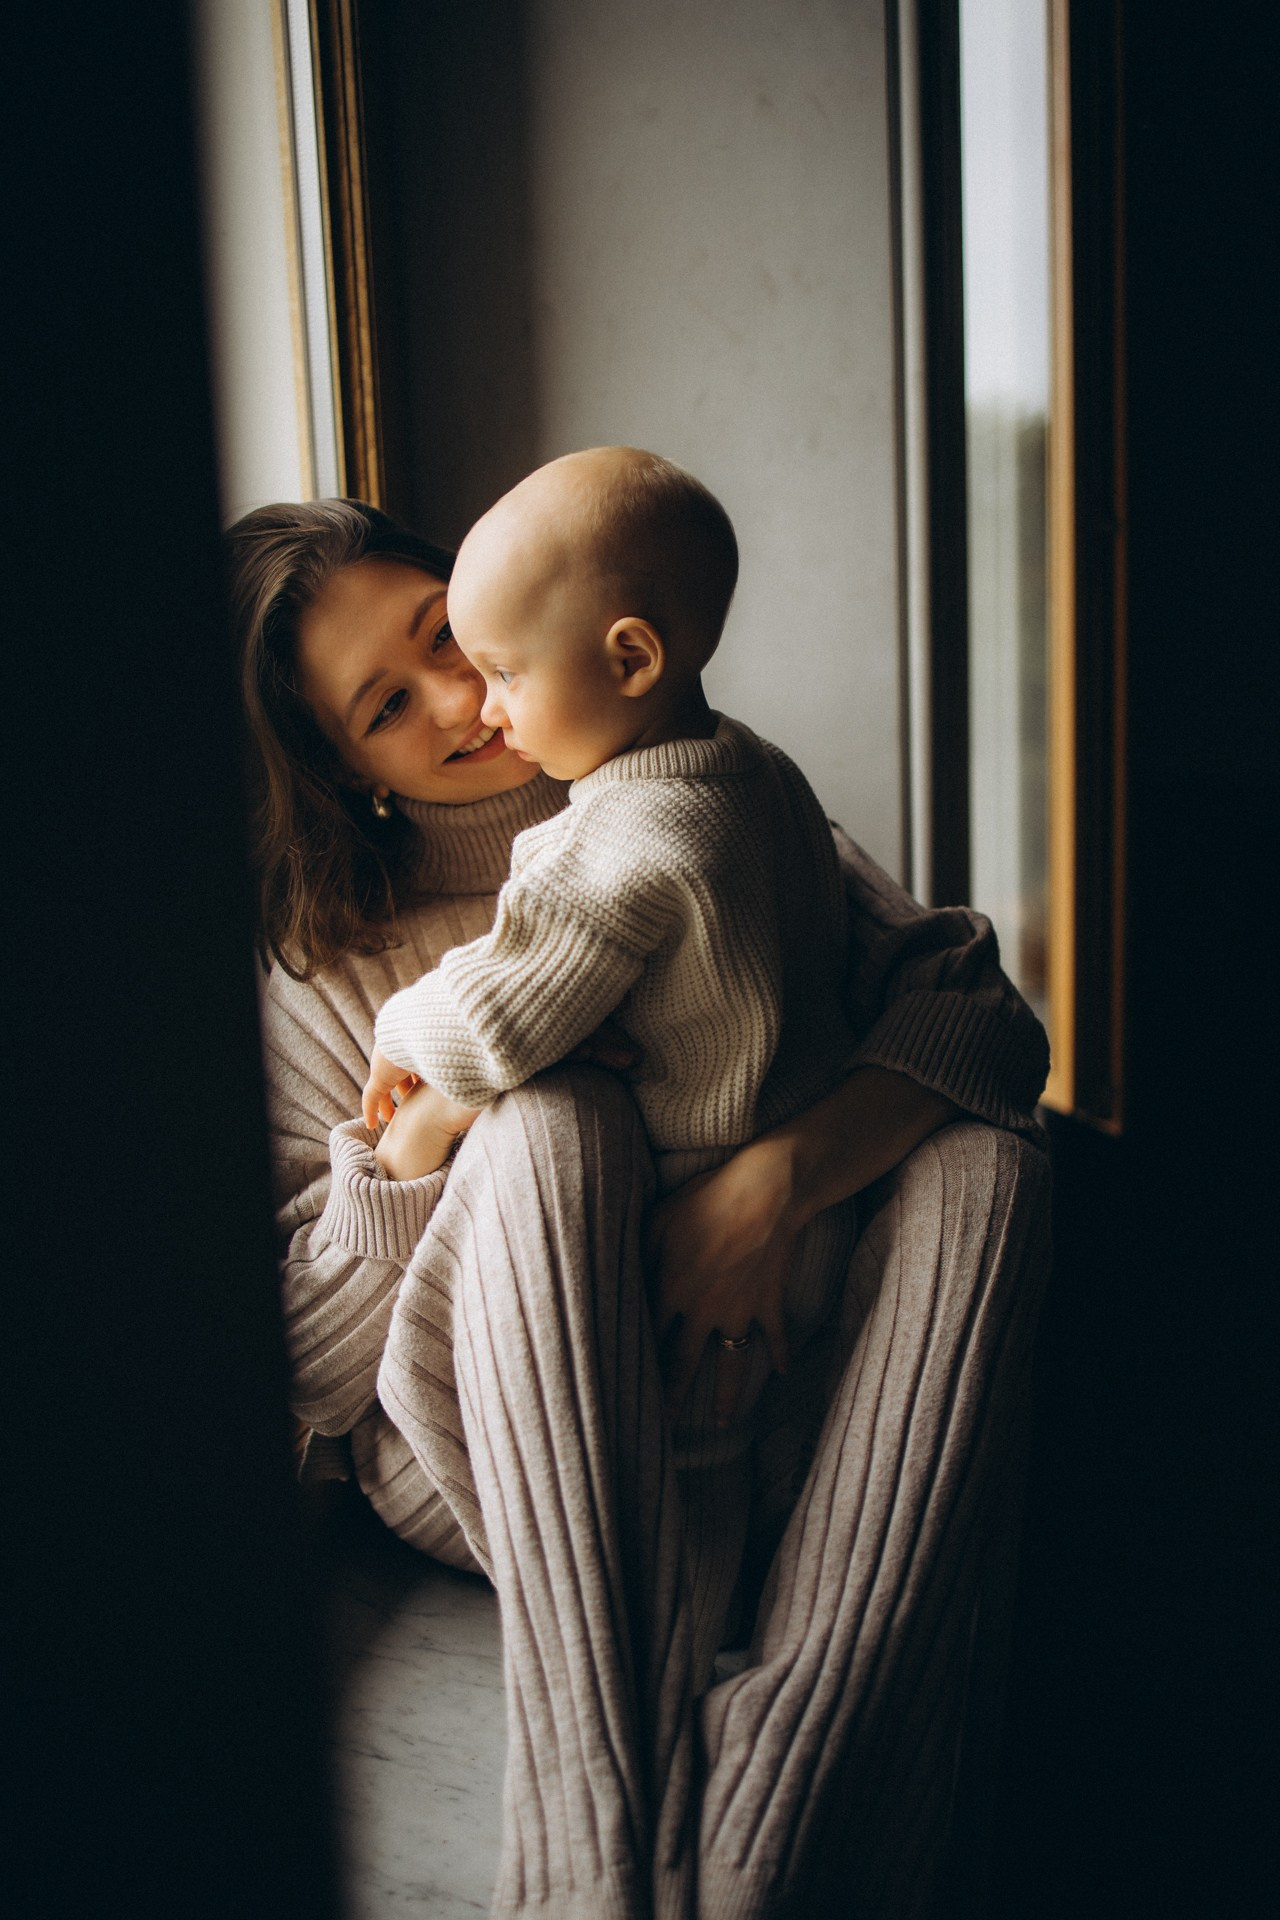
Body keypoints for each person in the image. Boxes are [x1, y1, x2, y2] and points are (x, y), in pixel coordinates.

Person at [231, 492, 1052, 1920]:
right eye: (385, 706)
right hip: (499, 1441)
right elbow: (299, 1363)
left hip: (776, 1360)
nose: (456, 701)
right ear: (344, 771)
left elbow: (986, 1024)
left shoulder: (682, 791)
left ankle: (792, 1784)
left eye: (444, 633)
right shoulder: (323, 969)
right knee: (554, 1114)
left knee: (989, 1166)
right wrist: (431, 1132)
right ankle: (587, 1837)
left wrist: (768, 1191)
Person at [360, 449, 860, 1470]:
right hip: (825, 1226)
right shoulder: (759, 771)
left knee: (659, 1456)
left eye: (494, 667)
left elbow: (493, 1024)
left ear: (630, 661)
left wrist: (397, 1029)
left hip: (688, 1227)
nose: (480, 707)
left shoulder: (614, 842)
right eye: (384, 706)